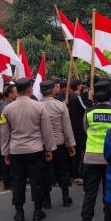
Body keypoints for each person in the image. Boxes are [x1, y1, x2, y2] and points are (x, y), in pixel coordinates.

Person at [0, 78, 56, 221]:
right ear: (30, 89)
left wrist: (5, 152)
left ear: (16, 91)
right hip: (36, 150)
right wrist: (49, 149)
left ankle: (19, 212)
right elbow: (47, 130)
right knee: (37, 181)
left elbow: (4, 133)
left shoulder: (7, 109)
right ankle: (37, 212)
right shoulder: (39, 107)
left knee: (18, 182)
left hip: (16, 150)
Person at [81, 81, 111, 221]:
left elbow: (85, 129)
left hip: (91, 158)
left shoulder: (89, 112)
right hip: (110, 159)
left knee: (90, 193)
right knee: (108, 193)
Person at [40, 80, 76, 208]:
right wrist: (70, 144)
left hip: (43, 145)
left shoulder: (37, 106)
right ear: (52, 90)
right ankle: (65, 197)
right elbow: (67, 128)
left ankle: (46, 200)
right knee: (62, 171)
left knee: (44, 173)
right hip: (59, 143)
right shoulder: (61, 105)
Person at [0, 83, 17, 190]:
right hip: (5, 135)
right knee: (6, 159)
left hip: (11, 135)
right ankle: (7, 182)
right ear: (10, 94)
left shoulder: (11, 104)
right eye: (15, 92)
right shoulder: (4, 106)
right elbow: (3, 122)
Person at [68, 79, 88, 186]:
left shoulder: (72, 97)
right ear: (78, 86)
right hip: (79, 129)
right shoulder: (77, 97)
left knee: (76, 153)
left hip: (74, 128)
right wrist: (89, 99)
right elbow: (86, 108)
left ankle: (75, 175)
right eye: (81, 85)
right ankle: (79, 175)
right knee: (83, 152)